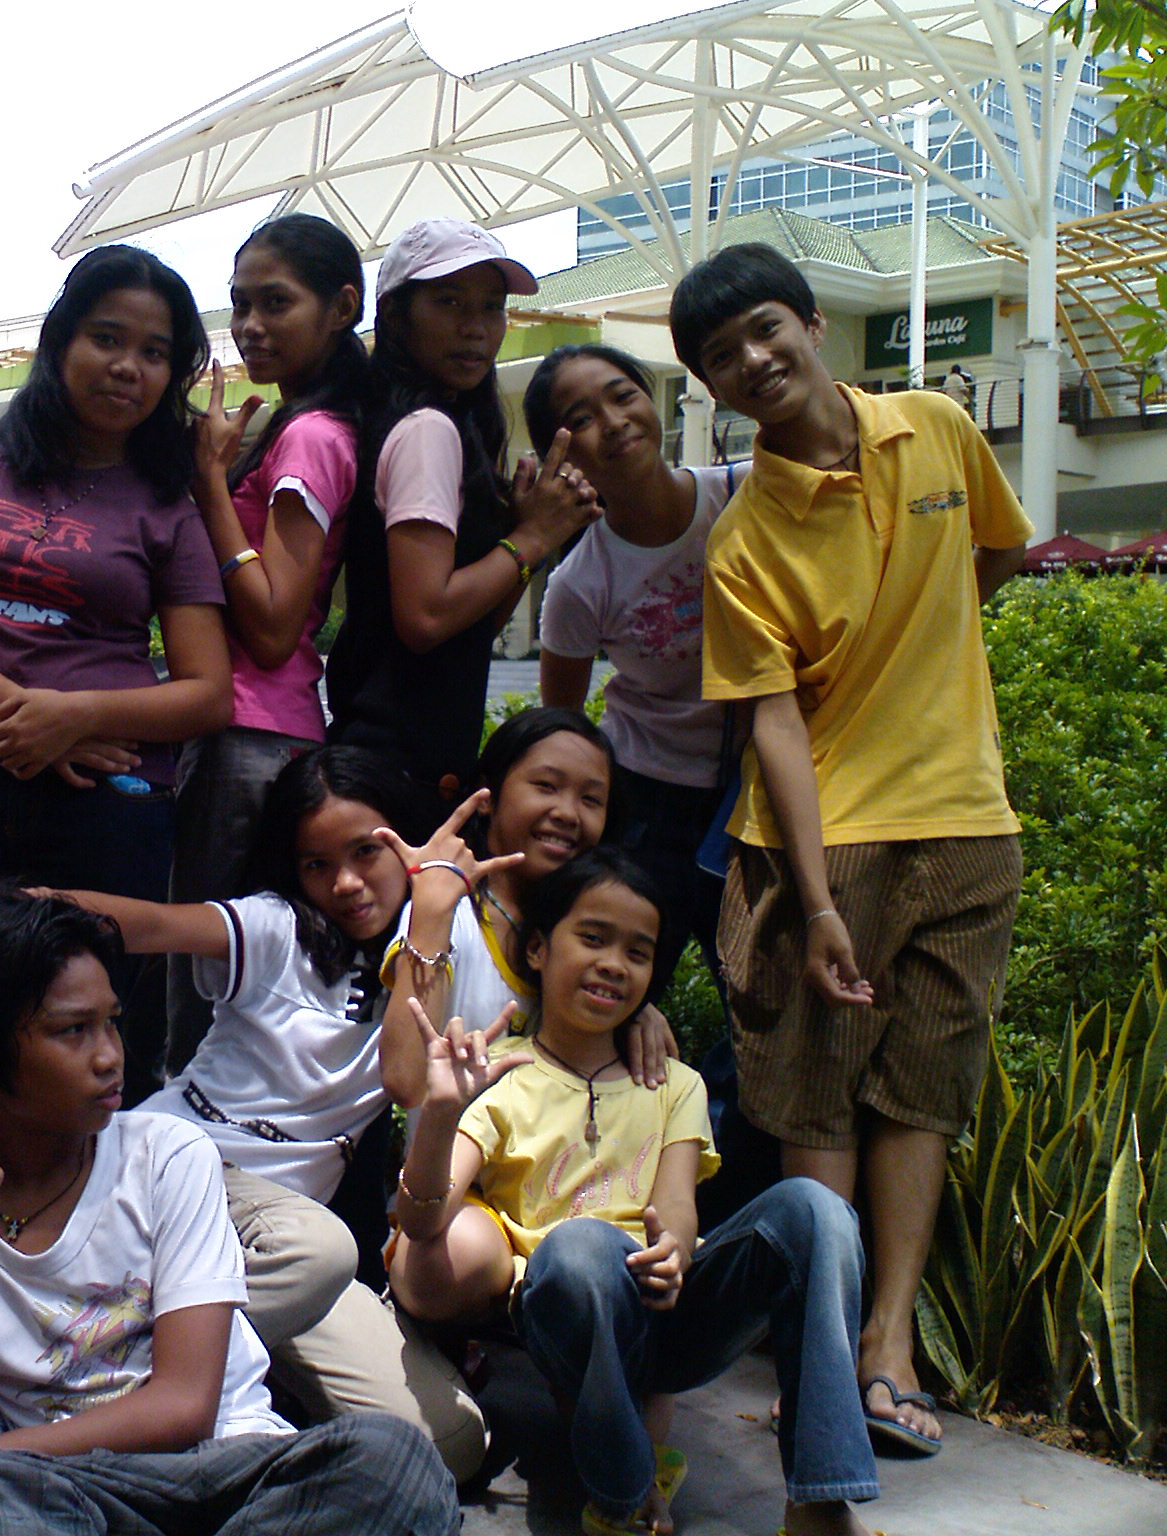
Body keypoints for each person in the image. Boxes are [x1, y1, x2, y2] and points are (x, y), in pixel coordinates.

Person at [676, 241, 1029, 1457]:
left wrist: (923, 669)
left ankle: (891, 1340)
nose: (752, 361)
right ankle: (826, 1351)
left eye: (763, 331)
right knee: (817, 1089)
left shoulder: (934, 425)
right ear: (712, 390)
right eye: (721, 358)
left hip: (966, 820)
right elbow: (767, 722)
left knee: (922, 1087)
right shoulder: (743, 541)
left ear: (813, 323)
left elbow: (995, 549)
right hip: (814, 844)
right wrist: (815, 902)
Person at [0, 887, 459, 1536]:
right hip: (74, 1501)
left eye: (111, 1021)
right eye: (72, 1030)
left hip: (228, 1473)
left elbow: (185, 1409)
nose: (111, 1054)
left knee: (395, 1462)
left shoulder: (165, 1155)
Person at [388, 848, 877, 1536]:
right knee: (585, 1244)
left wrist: (676, 1246)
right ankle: (624, 1492)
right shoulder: (499, 1079)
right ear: (537, 949)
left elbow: (678, 1198)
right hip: (565, 1308)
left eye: (638, 952)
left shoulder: (673, 1083)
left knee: (819, 1210)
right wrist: (440, 1114)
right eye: (592, 939)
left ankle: (820, 1500)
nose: (615, 964)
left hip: (669, 1309)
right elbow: (418, 1219)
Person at [50, 746, 486, 1481]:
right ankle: (119, 1401)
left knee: (450, 1441)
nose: (344, 883)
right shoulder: (277, 927)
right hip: (189, 1172)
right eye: (317, 864)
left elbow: (408, 1075)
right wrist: (5, 904)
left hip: (270, 1250)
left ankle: (148, 1387)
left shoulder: (444, 937)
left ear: (404, 844)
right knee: (322, 1250)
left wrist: (435, 910)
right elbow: (149, 924)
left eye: (365, 852)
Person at [0, 245, 230, 1103]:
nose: (128, 367)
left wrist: (71, 717)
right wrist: (21, 715)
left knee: (83, 1032)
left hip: (104, 807)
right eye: (107, 338)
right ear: (60, 341)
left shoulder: (167, 506)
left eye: (155, 352)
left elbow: (207, 691)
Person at [168, 213, 368, 1072]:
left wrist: (211, 484)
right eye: (240, 304)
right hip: (255, 738)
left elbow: (279, 620)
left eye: (275, 303)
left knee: (209, 991)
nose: (251, 325)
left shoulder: (312, 438)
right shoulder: (294, 425)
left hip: (251, 737)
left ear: (341, 308)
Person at [325, 217, 600, 805]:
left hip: (407, 762)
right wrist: (532, 537)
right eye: (449, 302)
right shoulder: (428, 431)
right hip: (392, 766)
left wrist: (525, 540)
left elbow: (470, 630)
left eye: (491, 307)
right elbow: (425, 620)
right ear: (395, 314)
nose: (475, 328)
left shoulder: (434, 425)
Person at [526, 343, 745, 998]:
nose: (615, 420)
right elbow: (562, 729)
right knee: (629, 995)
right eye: (582, 417)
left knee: (759, 987)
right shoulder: (578, 583)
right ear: (559, 456)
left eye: (623, 394)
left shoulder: (743, 493)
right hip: (650, 799)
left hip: (761, 779)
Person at [375, 707, 670, 1112]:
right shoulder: (451, 915)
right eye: (546, 786)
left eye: (590, 799)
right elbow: (405, 1081)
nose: (568, 813)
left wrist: (634, 1009)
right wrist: (429, 910)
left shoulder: (595, 938)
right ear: (486, 796)